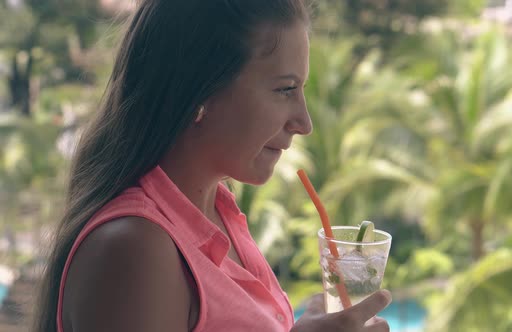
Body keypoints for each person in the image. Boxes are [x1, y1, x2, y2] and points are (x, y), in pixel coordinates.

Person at [31, 1, 392, 331]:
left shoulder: (219, 215)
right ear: (201, 91)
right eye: (285, 90)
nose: (303, 122)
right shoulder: (135, 247)